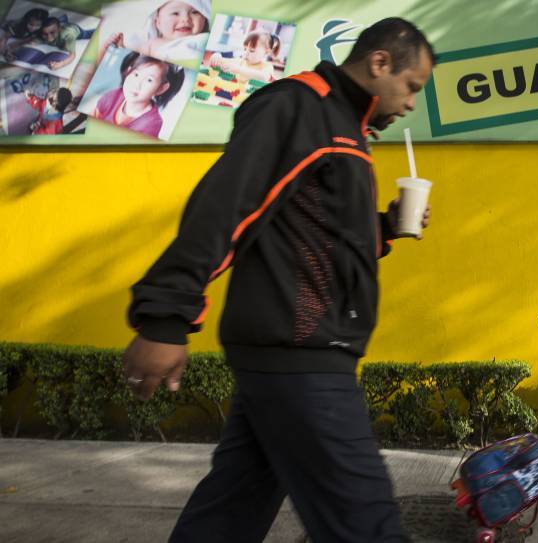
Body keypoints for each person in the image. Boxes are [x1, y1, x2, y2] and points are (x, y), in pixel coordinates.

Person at [120, 17, 435, 542]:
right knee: (366, 523)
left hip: (294, 353)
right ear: (380, 62)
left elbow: (318, 234)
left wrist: (383, 228)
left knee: (228, 515)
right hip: (302, 354)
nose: (410, 103)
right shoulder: (300, 107)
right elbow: (226, 205)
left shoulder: (344, 126)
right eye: (412, 86)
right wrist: (165, 316)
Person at [92, 51, 184, 139]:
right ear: (128, 71)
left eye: (149, 80)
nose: (137, 84)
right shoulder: (113, 96)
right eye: (136, 74)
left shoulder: (152, 123)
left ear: (161, 88)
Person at [103, 0, 210, 62]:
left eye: (195, 12)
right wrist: (121, 44)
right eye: (175, 13)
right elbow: (136, 57)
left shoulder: (204, 39)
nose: (185, 19)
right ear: (157, 22)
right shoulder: (153, 43)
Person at [209, 30, 280, 83]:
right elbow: (224, 62)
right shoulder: (241, 61)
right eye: (245, 49)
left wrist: (238, 69)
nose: (246, 53)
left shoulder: (267, 66)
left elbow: (263, 77)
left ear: (266, 52)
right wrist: (217, 56)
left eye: (252, 50)